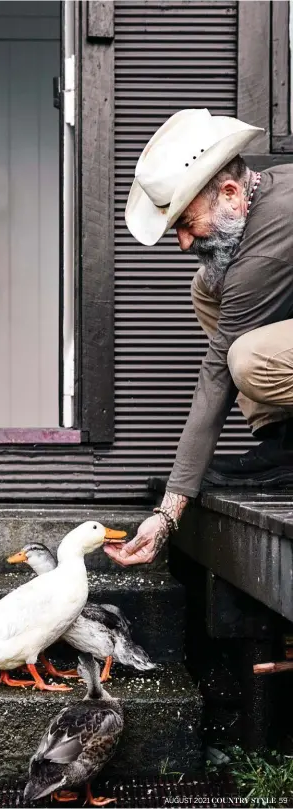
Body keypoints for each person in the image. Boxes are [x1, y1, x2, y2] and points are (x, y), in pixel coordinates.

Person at [103, 108, 293, 568]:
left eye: (187, 223)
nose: (184, 243)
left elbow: (216, 376)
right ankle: (284, 441)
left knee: (247, 359)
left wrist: (168, 512)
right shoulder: (272, 186)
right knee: (206, 285)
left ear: (229, 192)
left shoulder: (268, 245)